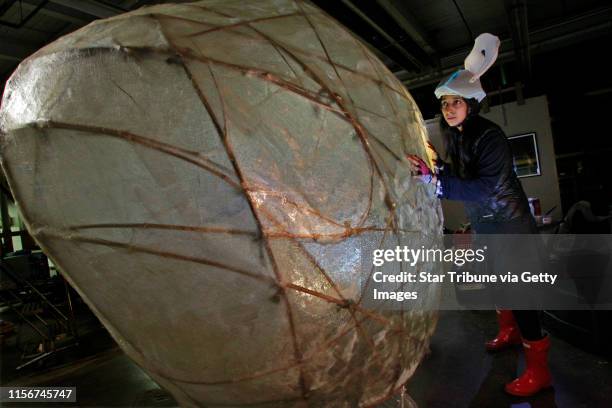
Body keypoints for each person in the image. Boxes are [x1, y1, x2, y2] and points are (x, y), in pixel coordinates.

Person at [407, 33, 552, 397]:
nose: (449, 109)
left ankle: (539, 371)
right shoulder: (457, 135)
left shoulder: (489, 136)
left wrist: (435, 183)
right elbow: (461, 177)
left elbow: (485, 186)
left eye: (457, 102)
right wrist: (434, 169)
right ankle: (510, 331)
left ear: (472, 103)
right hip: (487, 221)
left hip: (510, 223)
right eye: (445, 104)